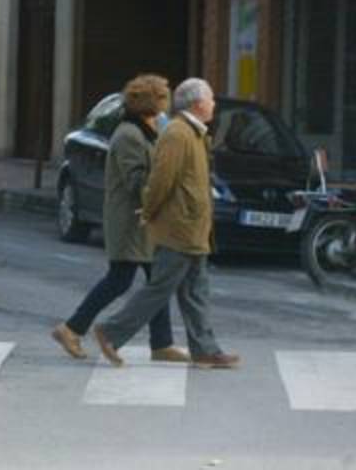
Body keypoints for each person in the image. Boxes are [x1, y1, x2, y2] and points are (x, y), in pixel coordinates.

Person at [92, 78, 240, 369]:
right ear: (198, 104)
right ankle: (110, 332)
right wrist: (149, 210)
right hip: (178, 228)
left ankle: (205, 350)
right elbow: (161, 180)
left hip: (193, 229)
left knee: (196, 292)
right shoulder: (178, 134)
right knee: (159, 288)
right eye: (210, 100)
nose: (214, 105)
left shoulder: (194, 133)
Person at [51, 74, 189, 363]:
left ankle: (161, 343)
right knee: (120, 280)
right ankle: (71, 328)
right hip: (130, 221)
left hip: (144, 222)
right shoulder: (129, 135)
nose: (166, 109)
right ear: (151, 105)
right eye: (162, 101)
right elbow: (135, 180)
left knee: (156, 280)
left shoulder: (145, 132)